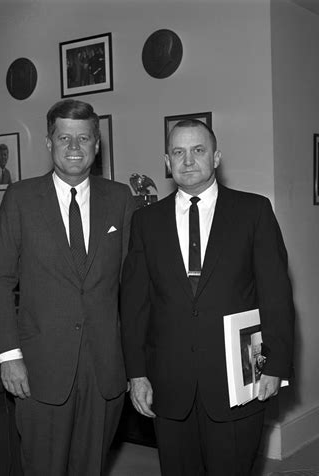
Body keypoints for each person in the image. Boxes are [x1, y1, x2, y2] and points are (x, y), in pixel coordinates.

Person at [120, 120, 295, 476]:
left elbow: (276, 296)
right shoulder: (145, 222)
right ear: (167, 162)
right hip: (169, 386)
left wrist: (275, 366)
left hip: (235, 382)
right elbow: (135, 305)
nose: (188, 160)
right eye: (178, 152)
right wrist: (136, 373)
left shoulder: (254, 212)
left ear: (216, 157)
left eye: (198, 150)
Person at [0, 99, 135, 476]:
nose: (74, 147)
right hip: (39, 368)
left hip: (105, 369)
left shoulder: (120, 200)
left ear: (97, 145)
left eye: (83, 138)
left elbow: (133, 286)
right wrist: (9, 356)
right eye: (64, 137)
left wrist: (139, 365)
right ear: (49, 142)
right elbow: (1, 280)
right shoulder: (20, 198)